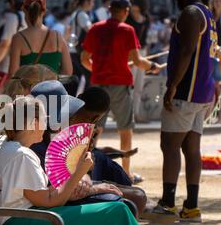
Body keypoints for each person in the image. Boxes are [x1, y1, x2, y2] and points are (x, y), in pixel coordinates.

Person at [0, 96, 163, 225]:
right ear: (34, 123)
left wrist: (92, 189)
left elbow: (43, 195)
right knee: (120, 210)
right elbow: (52, 201)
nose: (47, 125)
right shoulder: (21, 155)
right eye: (45, 119)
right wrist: (80, 171)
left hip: (29, 224)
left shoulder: (1, 145)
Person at [150, 0, 218, 223]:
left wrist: (172, 85)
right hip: (203, 93)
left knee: (169, 145)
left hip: (186, 92)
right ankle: (191, 207)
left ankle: (168, 203)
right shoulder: (208, 14)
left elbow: (188, 51)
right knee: (192, 149)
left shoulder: (190, 13)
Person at [80, 0, 164, 183]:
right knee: (125, 129)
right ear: (126, 11)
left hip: (98, 85)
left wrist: (100, 69)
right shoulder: (127, 30)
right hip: (120, 86)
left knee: (94, 129)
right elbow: (137, 61)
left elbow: (84, 58)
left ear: (110, 10)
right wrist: (152, 67)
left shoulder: (95, 28)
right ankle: (126, 173)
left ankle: (88, 170)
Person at [29, 81, 147, 215]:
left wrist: (85, 171)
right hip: (59, 200)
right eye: (66, 114)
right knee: (131, 201)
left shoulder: (50, 136)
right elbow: (54, 191)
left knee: (135, 195)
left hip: (71, 188)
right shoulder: (35, 144)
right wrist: (91, 186)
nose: (70, 117)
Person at [8, 0, 72, 77]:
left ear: (23, 9)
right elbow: (68, 71)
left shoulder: (18, 38)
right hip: (53, 89)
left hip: (29, 89)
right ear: (44, 11)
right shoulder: (57, 37)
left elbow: (13, 74)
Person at [0, 0, 27, 98]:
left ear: (12, 2)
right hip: (25, 67)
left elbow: (5, 43)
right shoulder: (30, 18)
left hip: (8, 67)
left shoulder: (13, 17)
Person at [126, 0, 151, 123]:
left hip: (141, 51)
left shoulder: (146, 19)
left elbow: (145, 39)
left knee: (139, 85)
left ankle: (136, 113)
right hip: (129, 52)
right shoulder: (127, 19)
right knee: (130, 84)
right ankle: (129, 114)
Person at [68, 0, 94, 93]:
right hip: (79, 50)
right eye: (92, 2)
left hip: (73, 49)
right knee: (89, 76)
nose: (93, 5)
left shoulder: (75, 13)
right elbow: (90, 30)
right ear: (87, 2)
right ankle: (87, 103)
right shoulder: (82, 14)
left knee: (77, 78)